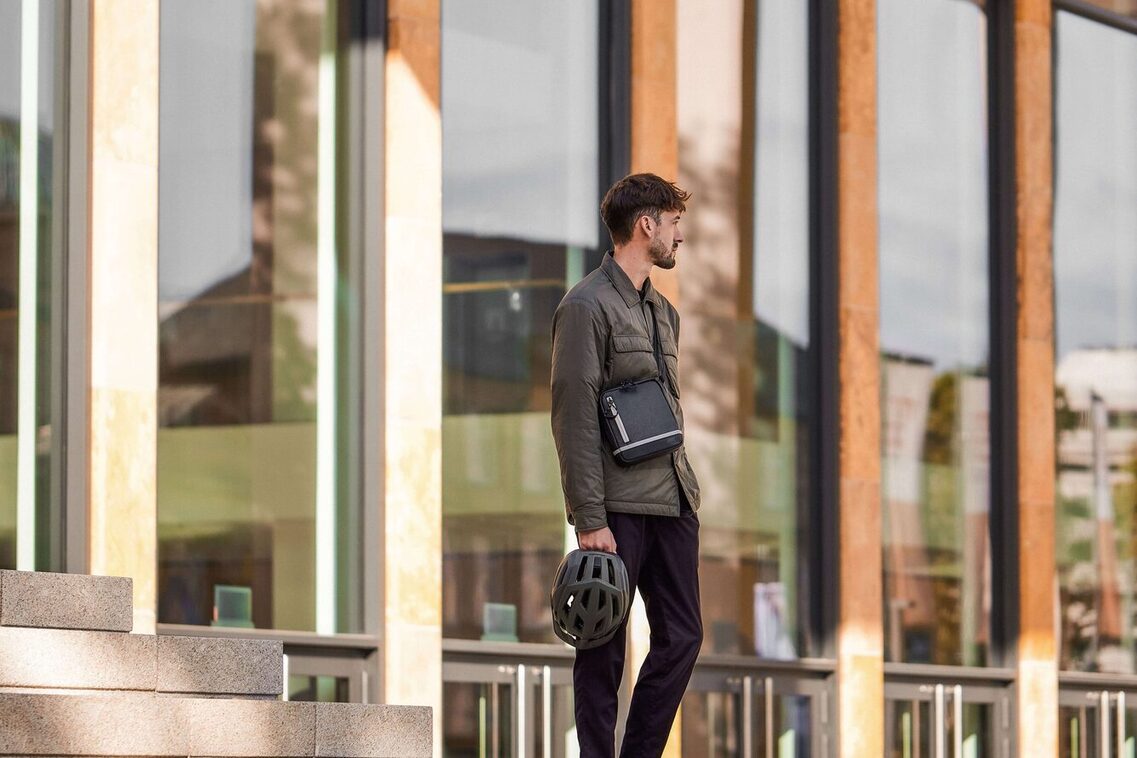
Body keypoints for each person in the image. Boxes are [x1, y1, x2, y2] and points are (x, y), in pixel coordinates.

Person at [550, 173, 702, 757]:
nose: (679, 236)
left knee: (683, 637)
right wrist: (589, 516)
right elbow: (574, 416)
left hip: (673, 498)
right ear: (647, 225)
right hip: (615, 506)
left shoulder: (664, 313)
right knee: (603, 643)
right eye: (674, 223)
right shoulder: (585, 306)